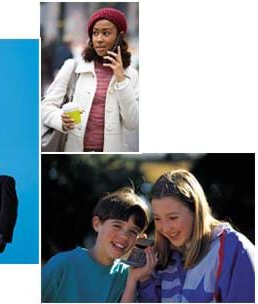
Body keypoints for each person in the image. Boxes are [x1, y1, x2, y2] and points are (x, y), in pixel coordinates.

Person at [129, 169, 255, 302]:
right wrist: (145, 279)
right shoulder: (165, 258)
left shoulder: (234, 249)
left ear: (196, 210)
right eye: (157, 219)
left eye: (173, 218)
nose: (165, 228)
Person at [41, 7, 139, 152]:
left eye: (106, 33)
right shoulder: (73, 67)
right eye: (95, 33)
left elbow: (132, 123)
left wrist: (120, 78)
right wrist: (61, 119)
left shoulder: (130, 75)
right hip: (73, 150)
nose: (99, 39)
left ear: (120, 36)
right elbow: (45, 107)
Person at [42, 188, 150, 302]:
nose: (124, 236)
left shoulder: (127, 275)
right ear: (97, 224)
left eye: (133, 231)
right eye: (117, 226)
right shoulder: (63, 264)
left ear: (139, 239)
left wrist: (133, 279)